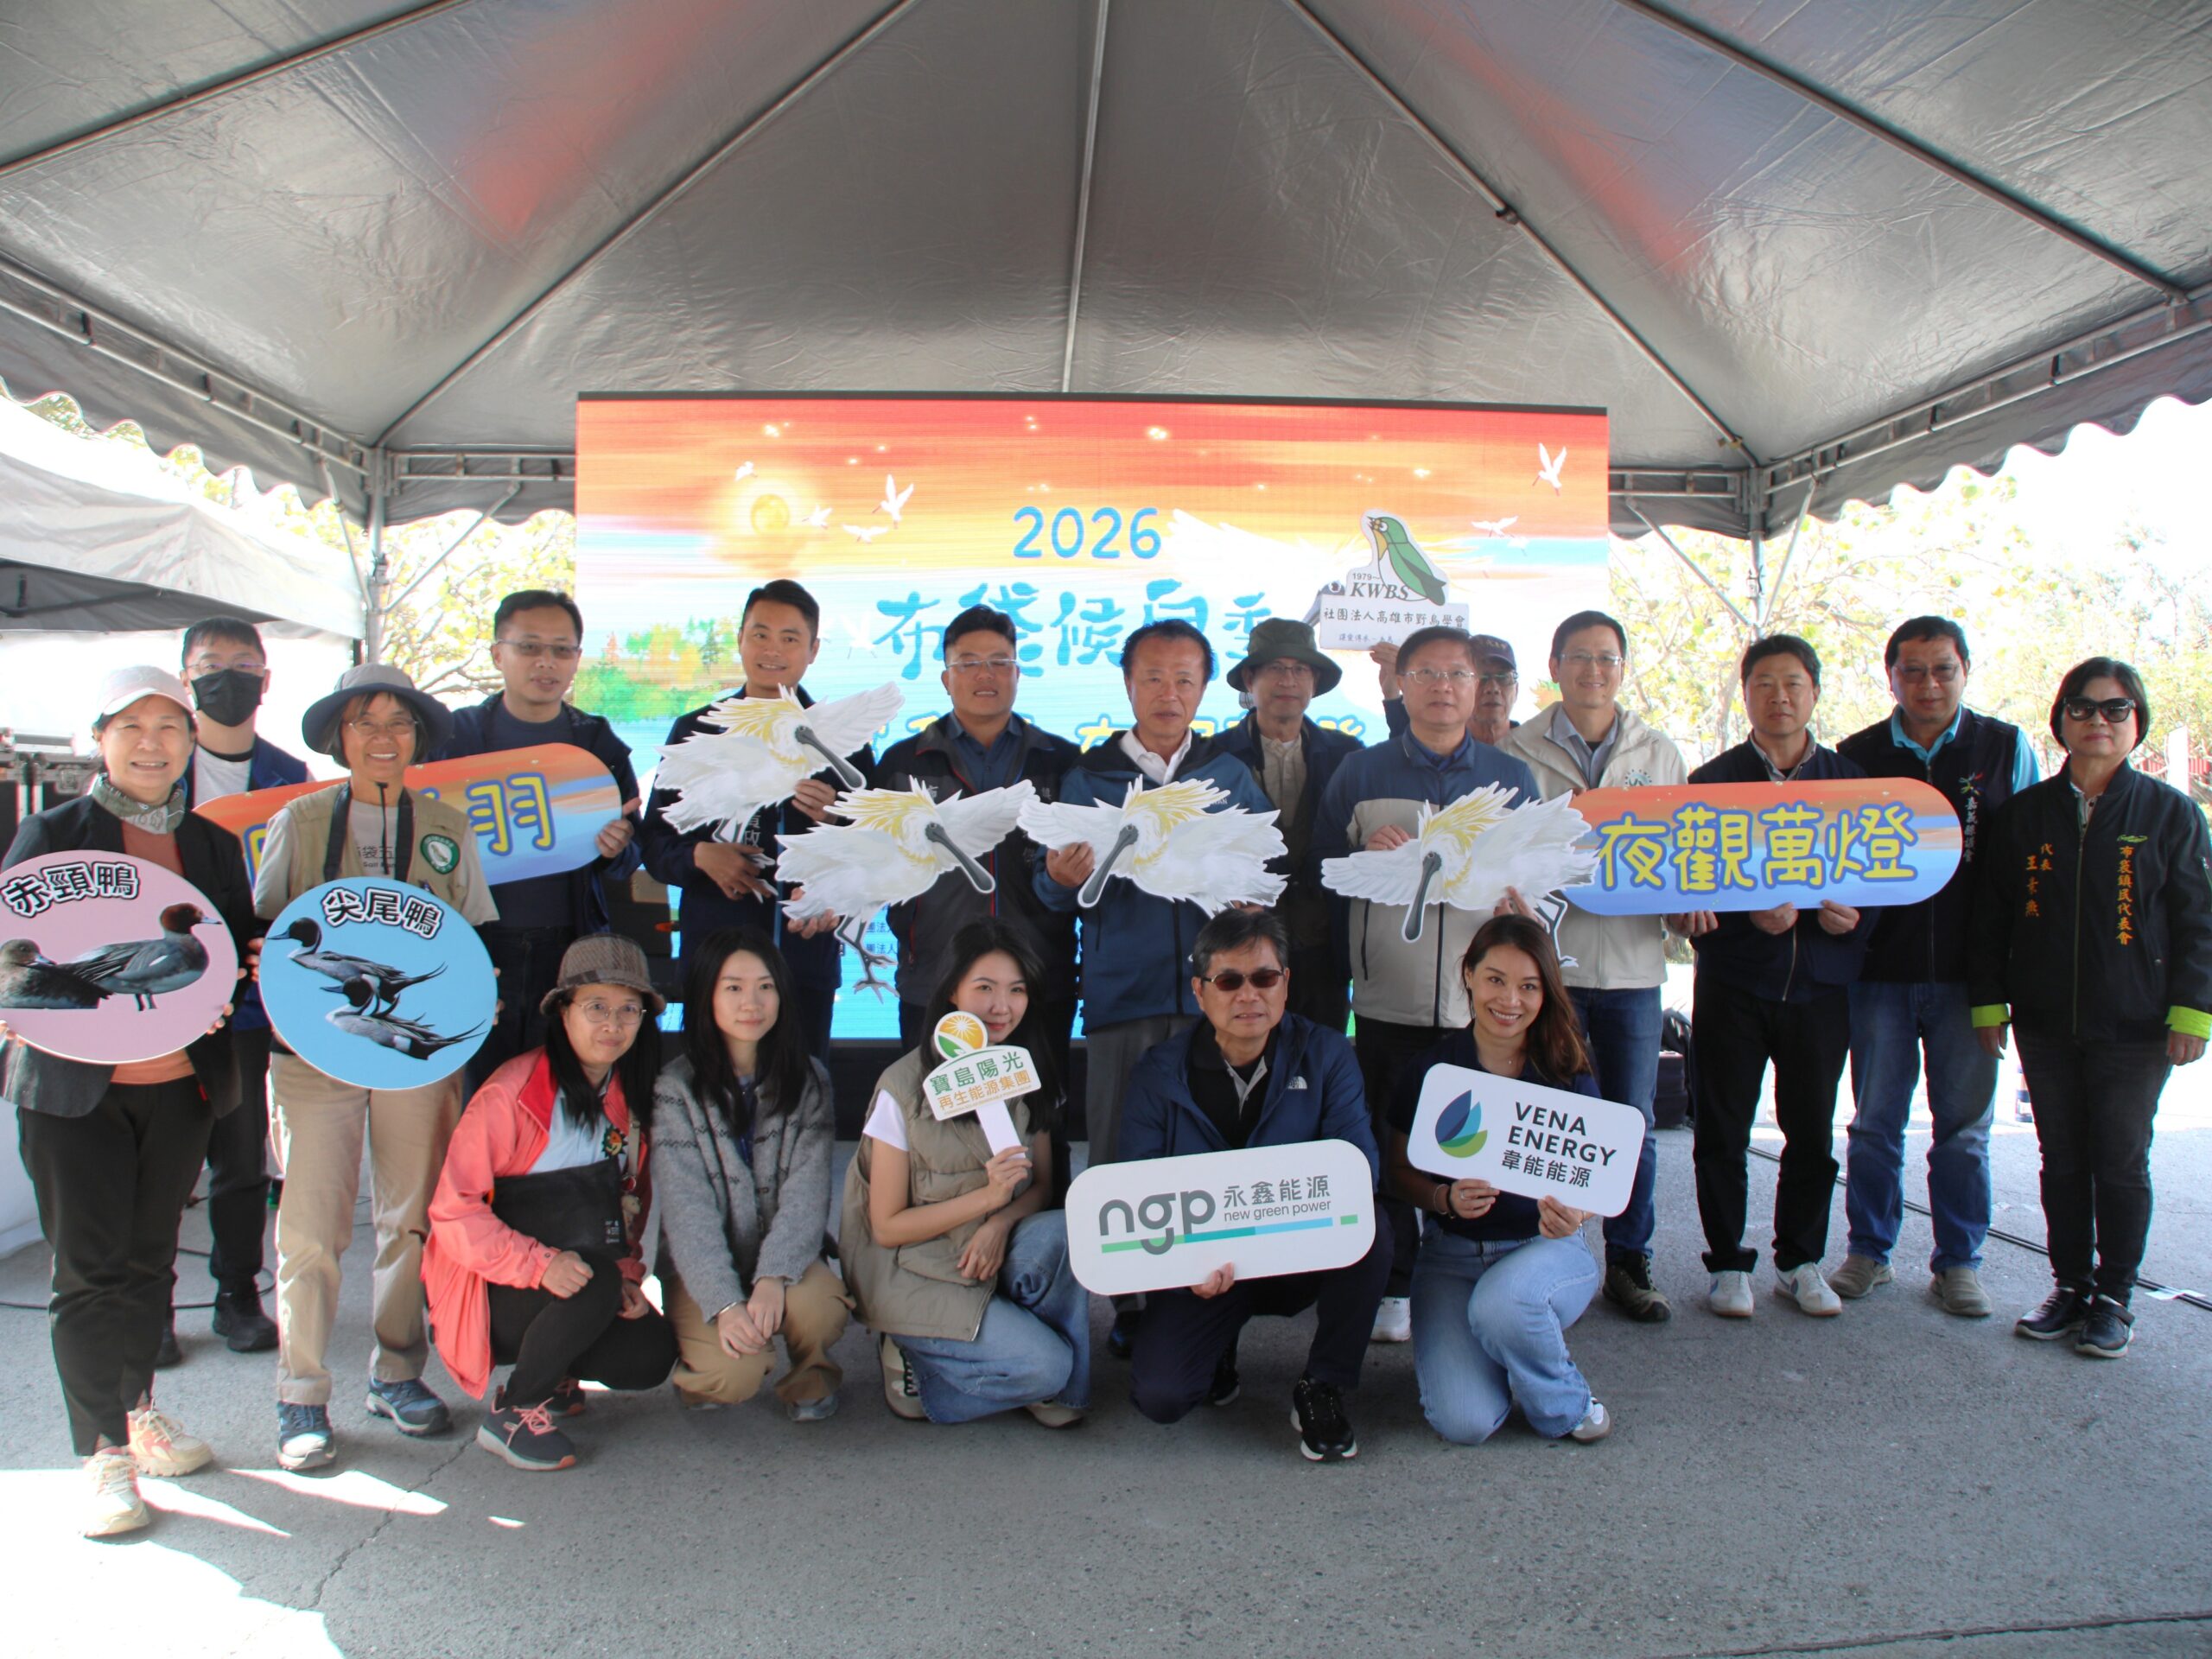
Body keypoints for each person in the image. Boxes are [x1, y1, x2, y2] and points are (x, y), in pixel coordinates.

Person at [3, 666, 257, 1535]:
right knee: (88, 1271)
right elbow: (11, 952)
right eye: (133, 727)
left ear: (191, 742)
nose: (153, 744)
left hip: (180, 1087)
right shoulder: (52, 832)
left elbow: (231, 950)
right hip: (73, 1092)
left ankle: (139, 1411)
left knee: (151, 1261)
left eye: (170, 727)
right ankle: (102, 1451)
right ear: (101, 739)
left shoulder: (211, 843)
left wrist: (241, 973)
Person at [254, 664, 499, 1471]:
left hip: (413, 1051)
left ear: (419, 738)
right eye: (365, 722)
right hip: (313, 1051)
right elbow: (266, 934)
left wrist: (475, 999)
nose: (384, 737)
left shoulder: (447, 825)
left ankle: (397, 1371)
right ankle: (301, 1392)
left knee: (410, 1215)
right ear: (339, 737)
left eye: (399, 722)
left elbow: (471, 936)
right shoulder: (299, 820)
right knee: (311, 1226)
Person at [1033, 619, 1274, 1356]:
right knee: (1121, 1149)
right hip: (1123, 994)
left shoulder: (1229, 775)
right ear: (1128, 684)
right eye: (1154, 678)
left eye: (1184, 679)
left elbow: (1264, 875)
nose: (1169, 694)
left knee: (1211, 1151)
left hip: (1214, 1000)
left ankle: (1211, 1303)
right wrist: (1058, 878)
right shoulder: (1089, 777)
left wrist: (1252, 900)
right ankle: (1132, 1303)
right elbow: (1052, 893)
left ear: (1203, 689)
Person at [1971, 658, 2212, 1359]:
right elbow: (1991, 917)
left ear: (2137, 723)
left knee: (2121, 1162)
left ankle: (2115, 1298)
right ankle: (2070, 1286)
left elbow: (2198, 921)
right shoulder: (2026, 815)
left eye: (2115, 709)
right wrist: (1988, 1002)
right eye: (2082, 708)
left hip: (2137, 1026)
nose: (2098, 721)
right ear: (2061, 720)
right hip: (2045, 1022)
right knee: (2063, 1161)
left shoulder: (2170, 814)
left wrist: (2192, 1011)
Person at [1313, 625, 1540, 1344]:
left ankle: (1478, 1267)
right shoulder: (1360, 773)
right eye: (1427, 674)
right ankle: (1397, 1281)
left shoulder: (1512, 779)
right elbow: (1321, 873)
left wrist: (1521, 908)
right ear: (1401, 684)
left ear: (1479, 688)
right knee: (1391, 1139)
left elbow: (1539, 879)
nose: (1443, 687)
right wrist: (1362, 854)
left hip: (1480, 1005)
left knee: (1476, 1140)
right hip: (1388, 996)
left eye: (1457, 674)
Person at [1118, 909, 1388, 1461]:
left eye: (1264, 978)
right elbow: (1138, 1194)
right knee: (1162, 1397)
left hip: (1301, 1252)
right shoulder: (1158, 1072)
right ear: (1199, 991)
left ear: (1285, 983)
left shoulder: (1328, 1054)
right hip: (1207, 1266)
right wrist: (1185, 1267)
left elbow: (1359, 1167)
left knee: (1375, 1228)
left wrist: (1287, 1233)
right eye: (1228, 981)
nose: (1249, 995)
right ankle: (1217, 1345)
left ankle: (1323, 1383)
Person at [1833, 617, 2039, 1318]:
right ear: (1890, 677)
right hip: (1878, 974)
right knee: (1874, 1125)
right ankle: (1868, 1252)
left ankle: (1959, 1263)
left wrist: (2009, 977)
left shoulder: (2005, 748)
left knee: (1964, 1131)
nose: (1929, 684)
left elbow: (2026, 867)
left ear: (1965, 671)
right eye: (1913, 671)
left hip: (1969, 978)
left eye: (1943, 669)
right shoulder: (1856, 755)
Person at [423, 936, 677, 1470]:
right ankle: (513, 1411)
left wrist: (628, 1276)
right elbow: (454, 1209)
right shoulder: (509, 1096)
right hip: (495, 1289)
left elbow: (628, 1208)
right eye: (596, 1007)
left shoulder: (629, 1101)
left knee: (650, 1352)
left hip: (577, 1279)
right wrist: (540, 1266)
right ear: (563, 1011)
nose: (613, 1024)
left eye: (629, 1010)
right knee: (592, 1279)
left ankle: (556, 1369)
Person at [1502, 610, 1690, 1325]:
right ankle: (1549, 1254)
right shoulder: (1516, 752)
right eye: (1579, 657)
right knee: (1549, 1122)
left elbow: (1685, 852)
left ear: (1622, 669)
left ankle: (1630, 1259)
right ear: (1555, 666)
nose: (1593, 671)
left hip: (1634, 970)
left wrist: (1689, 908)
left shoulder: (1658, 752)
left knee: (1631, 1122)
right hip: (1549, 971)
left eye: (1607, 659)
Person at [1687, 635, 1872, 1320]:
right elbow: (1688, 888)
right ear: (1745, 695)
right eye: (1764, 683)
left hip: (1821, 989)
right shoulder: (1711, 784)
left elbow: (1889, 880)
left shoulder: (1853, 785)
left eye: (1793, 683)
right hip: (1734, 984)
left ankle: (1800, 1261)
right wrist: (1744, 917)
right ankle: (1727, 1263)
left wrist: (1856, 921)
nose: (1780, 697)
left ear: (1814, 692)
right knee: (1722, 1131)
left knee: (1813, 1134)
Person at [840, 921, 1088, 1426]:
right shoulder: (901, 1088)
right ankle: (915, 1354)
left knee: (1064, 1232)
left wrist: (999, 1222)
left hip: (989, 1250)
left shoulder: (1027, 1070)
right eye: (985, 988)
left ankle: (1038, 1376)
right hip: (917, 1266)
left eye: (1016, 990)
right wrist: (986, 1200)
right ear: (952, 990)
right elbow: (886, 1227)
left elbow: (1041, 1185)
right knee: (1047, 1367)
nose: (1002, 1006)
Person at [1385, 915, 1612, 1446]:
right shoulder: (1434, 1069)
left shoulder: (1566, 1067)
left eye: (1528, 986)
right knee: (1462, 1423)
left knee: (1503, 1304)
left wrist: (1576, 1214)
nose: (1510, 1000)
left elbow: (1597, 1179)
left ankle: (1568, 1404)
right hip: (1451, 1256)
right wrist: (1441, 1196)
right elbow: (1397, 1172)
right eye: (1495, 980)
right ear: (1468, 975)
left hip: (1544, 1251)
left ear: (1545, 992)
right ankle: (1511, 1346)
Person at [640, 579, 868, 1060]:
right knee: (711, 1089)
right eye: (760, 635)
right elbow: (655, 843)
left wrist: (836, 825)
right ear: (740, 640)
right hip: (715, 963)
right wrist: (700, 856)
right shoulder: (697, 730)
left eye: (790, 638)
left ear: (813, 650)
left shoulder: (845, 740)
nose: (773, 650)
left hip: (804, 961)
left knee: (802, 1090)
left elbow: (882, 852)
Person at [169, 617, 310, 1360]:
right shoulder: (157, 769)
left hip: (249, 1001)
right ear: (185, 679)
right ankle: (149, 1304)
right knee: (161, 1156)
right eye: (210, 664)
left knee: (240, 1154)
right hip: (163, 995)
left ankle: (236, 1293)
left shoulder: (291, 777)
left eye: (243, 664)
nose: (228, 677)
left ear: (265, 679)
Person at [441, 589, 644, 1093]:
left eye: (561, 649)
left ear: (577, 658)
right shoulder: (454, 739)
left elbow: (630, 856)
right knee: (478, 1094)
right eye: (529, 647)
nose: (546, 662)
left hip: (568, 950)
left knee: (559, 1092)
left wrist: (617, 848)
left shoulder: (598, 745)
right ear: (498, 654)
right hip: (474, 946)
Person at [650, 928, 851, 1419]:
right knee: (731, 1373)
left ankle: (812, 1379)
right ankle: (700, 1373)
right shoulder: (674, 1089)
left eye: (765, 986)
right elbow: (687, 1214)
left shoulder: (809, 1079)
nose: (752, 1003)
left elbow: (808, 1194)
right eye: (734, 987)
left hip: (784, 1254)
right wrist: (724, 1303)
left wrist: (774, 1276)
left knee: (820, 1306)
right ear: (706, 995)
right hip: (703, 1266)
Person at [874, 603, 1081, 1076]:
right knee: (935, 1112)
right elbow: (875, 864)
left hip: (1036, 981)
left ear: (1017, 673)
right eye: (968, 663)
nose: (985, 674)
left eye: (999, 662)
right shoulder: (903, 764)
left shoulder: (1060, 760)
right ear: (946, 678)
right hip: (935, 980)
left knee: (1038, 1112)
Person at [1216, 619, 1361, 1033]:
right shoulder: (1215, 757)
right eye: (1275, 668)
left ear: (1314, 682)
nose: (1288, 680)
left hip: (1325, 949)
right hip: (1241, 951)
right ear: (1250, 679)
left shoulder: (1347, 755)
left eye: (1300, 670)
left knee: (1322, 1058)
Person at [1373, 632, 1520, 747]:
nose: (1492, 688)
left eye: (1504, 678)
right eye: (1482, 677)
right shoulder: (1434, 749)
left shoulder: (1530, 750)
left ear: (1517, 690)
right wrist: (1392, 693)